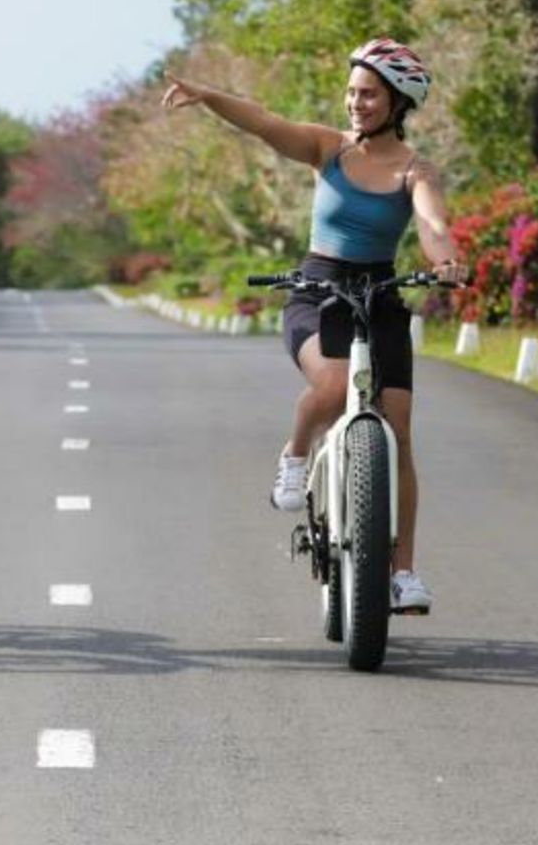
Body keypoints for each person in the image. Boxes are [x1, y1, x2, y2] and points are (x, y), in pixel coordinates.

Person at [161, 39, 463, 614]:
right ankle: (296, 455)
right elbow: (264, 123)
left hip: (379, 292)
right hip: (318, 288)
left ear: (398, 101)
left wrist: (444, 259)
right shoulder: (328, 149)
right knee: (332, 385)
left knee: (398, 434)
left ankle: (403, 574)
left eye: (369, 94)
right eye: (352, 92)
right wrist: (208, 96)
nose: (356, 103)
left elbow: (431, 221)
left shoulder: (415, 170)